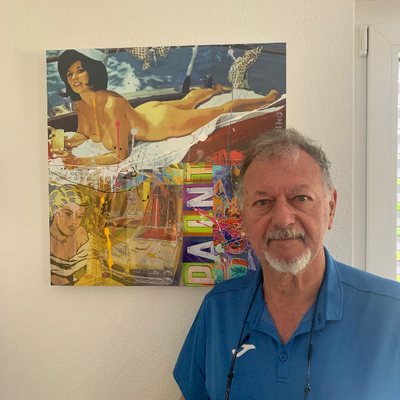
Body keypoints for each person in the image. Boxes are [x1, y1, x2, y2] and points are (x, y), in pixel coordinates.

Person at [173, 128, 400, 400]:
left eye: (300, 198)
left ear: (330, 208)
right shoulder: (217, 309)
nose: (282, 218)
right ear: (243, 216)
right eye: (263, 202)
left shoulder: (392, 311)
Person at [56, 49, 281, 166]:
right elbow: (82, 134)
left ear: (93, 71)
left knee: (219, 110)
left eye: (80, 70)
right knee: (187, 102)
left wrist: (81, 162)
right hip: (146, 111)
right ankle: (214, 89)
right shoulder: (81, 104)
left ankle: (267, 99)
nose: (74, 78)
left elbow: (120, 155)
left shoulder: (111, 103)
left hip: (163, 123)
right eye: (69, 73)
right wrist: (63, 141)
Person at [49, 185, 91, 285]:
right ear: (54, 209)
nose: (74, 222)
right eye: (68, 214)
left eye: (79, 217)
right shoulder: (44, 239)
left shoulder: (81, 235)